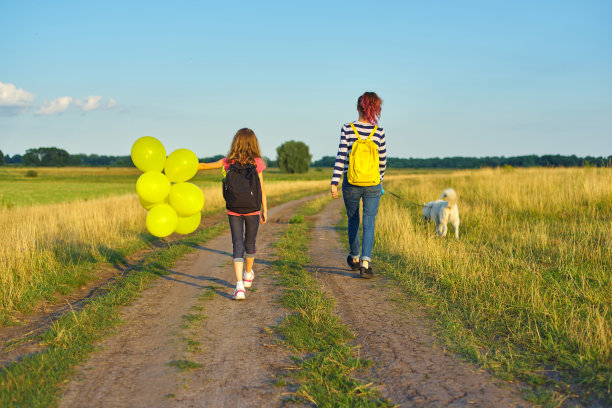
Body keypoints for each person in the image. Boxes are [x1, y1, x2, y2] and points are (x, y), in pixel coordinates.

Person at [198, 128, 268, 300]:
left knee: (237, 244)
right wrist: (264, 209)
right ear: (254, 143)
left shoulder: (227, 162)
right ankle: (248, 274)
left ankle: (239, 288)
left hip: (234, 209)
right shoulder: (257, 162)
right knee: (250, 243)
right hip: (252, 208)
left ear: (235, 142)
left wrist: (183, 165)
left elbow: (204, 166)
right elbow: (262, 188)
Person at [330, 92, 387, 279]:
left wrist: (334, 182)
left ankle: (354, 257)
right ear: (376, 109)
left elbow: (341, 157)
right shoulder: (379, 132)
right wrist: (380, 180)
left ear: (357, 107)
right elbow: (382, 162)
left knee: (353, 219)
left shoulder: (347, 128)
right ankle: (365, 263)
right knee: (369, 222)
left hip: (351, 182)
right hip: (372, 184)